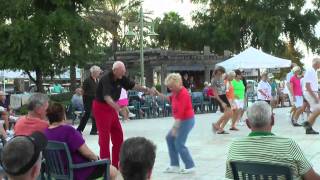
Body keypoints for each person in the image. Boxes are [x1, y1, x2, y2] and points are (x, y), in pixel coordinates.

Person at [225, 101, 320, 180]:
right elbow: (312, 177)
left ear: (248, 124)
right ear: (273, 120)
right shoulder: (288, 145)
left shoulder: (235, 146)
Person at [92, 61, 155, 168]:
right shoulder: (106, 79)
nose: (123, 74)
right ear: (115, 70)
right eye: (121, 72)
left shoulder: (121, 78)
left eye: (124, 72)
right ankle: (106, 167)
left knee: (118, 135)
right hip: (101, 107)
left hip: (112, 107)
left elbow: (134, 86)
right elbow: (107, 98)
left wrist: (147, 90)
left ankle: (116, 165)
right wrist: (119, 109)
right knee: (104, 138)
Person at [44, 103, 117, 180]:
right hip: (78, 171)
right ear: (63, 115)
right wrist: (98, 159)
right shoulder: (68, 130)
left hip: (58, 172)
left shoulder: (45, 133)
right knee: (112, 170)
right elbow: (87, 153)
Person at [155, 73, 196, 174]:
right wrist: (158, 94)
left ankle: (190, 166)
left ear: (178, 83)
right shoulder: (176, 92)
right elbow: (169, 98)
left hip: (186, 120)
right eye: (169, 87)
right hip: (181, 120)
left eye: (172, 86)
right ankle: (174, 165)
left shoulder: (183, 93)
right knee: (169, 138)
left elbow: (181, 113)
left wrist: (174, 128)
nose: (170, 89)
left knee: (179, 143)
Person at [77, 65, 101, 135]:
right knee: (87, 115)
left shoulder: (97, 80)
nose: (99, 73)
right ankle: (79, 130)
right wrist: (85, 98)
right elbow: (82, 91)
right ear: (93, 72)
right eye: (98, 72)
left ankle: (93, 130)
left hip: (95, 100)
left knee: (95, 115)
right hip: (88, 100)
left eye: (99, 72)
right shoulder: (87, 80)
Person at [211, 66, 233, 134]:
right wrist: (222, 102)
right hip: (220, 97)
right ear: (217, 71)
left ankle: (220, 128)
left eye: (222, 72)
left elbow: (228, 76)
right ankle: (217, 124)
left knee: (230, 113)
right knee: (228, 113)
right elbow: (215, 93)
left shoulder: (221, 77)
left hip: (224, 96)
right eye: (221, 72)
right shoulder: (213, 80)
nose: (222, 73)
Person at [303, 58, 320, 134]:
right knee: (318, 109)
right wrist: (315, 96)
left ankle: (309, 129)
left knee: (315, 110)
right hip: (310, 92)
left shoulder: (313, 71)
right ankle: (307, 123)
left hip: (312, 92)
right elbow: (307, 86)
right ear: (316, 63)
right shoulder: (310, 71)